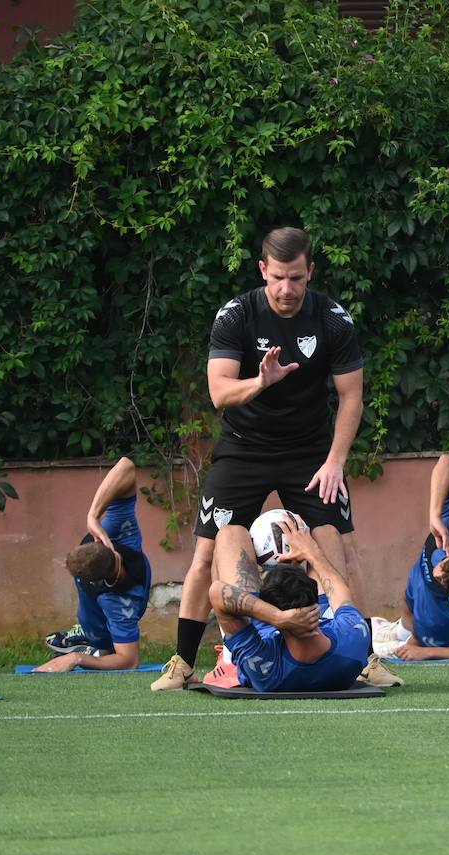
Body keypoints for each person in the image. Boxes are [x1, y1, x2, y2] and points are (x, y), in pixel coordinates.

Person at [154, 227, 371, 690]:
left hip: (311, 451)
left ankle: (366, 657)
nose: (286, 289)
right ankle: (182, 662)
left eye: (296, 278)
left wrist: (335, 461)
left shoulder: (333, 319)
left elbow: (351, 397)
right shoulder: (236, 315)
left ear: (310, 271)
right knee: (207, 551)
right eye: (277, 278)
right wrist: (261, 382)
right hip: (244, 447)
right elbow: (218, 393)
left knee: (336, 542)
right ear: (262, 271)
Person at [208, 516, 370, 693]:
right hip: (323, 630)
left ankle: (227, 656)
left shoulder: (267, 671)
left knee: (230, 534)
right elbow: (341, 592)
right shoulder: (354, 638)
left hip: (259, 633)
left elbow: (217, 592)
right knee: (327, 533)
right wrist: (312, 552)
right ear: (314, 600)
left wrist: (277, 617)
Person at [371, 454, 449, 661]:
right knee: (408, 600)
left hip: (437, 609)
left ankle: (407, 643)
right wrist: (435, 515)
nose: (437, 571)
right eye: (445, 563)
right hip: (417, 580)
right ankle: (400, 632)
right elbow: (446, 462)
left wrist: (425, 652)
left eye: (444, 578)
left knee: (418, 640)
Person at [36, 456, 151, 672]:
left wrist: (76, 659)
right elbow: (126, 466)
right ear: (104, 542)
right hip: (100, 590)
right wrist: (93, 516)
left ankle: (93, 642)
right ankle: (89, 637)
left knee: (106, 648)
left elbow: (129, 661)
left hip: (111, 605)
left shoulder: (121, 605)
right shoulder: (119, 533)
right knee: (93, 628)